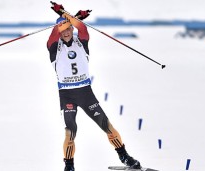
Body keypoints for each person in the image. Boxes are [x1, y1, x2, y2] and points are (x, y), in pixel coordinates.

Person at [47, 3, 142, 171]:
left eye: (69, 28)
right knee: (70, 130)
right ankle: (69, 166)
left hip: (85, 93)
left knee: (106, 125)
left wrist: (66, 14)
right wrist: (63, 17)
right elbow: (54, 34)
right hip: (67, 95)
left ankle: (124, 156)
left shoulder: (82, 41)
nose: (67, 32)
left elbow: (81, 27)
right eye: (63, 30)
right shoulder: (54, 47)